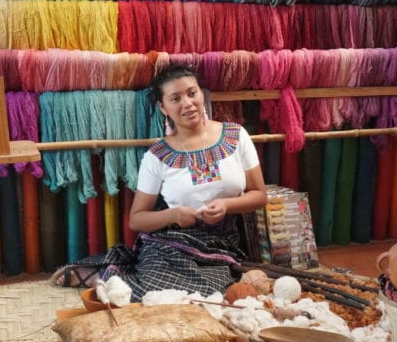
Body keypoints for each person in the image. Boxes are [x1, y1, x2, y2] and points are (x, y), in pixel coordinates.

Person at [54, 64, 267, 301]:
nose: (187, 103)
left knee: (208, 296)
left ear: (202, 95)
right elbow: (138, 218)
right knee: (156, 295)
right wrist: (173, 215)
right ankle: (106, 274)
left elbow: (259, 194)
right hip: (171, 243)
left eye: (192, 93)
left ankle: (114, 276)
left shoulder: (236, 136)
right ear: (163, 107)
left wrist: (228, 206)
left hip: (222, 245)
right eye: (175, 98)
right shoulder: (157, 155)